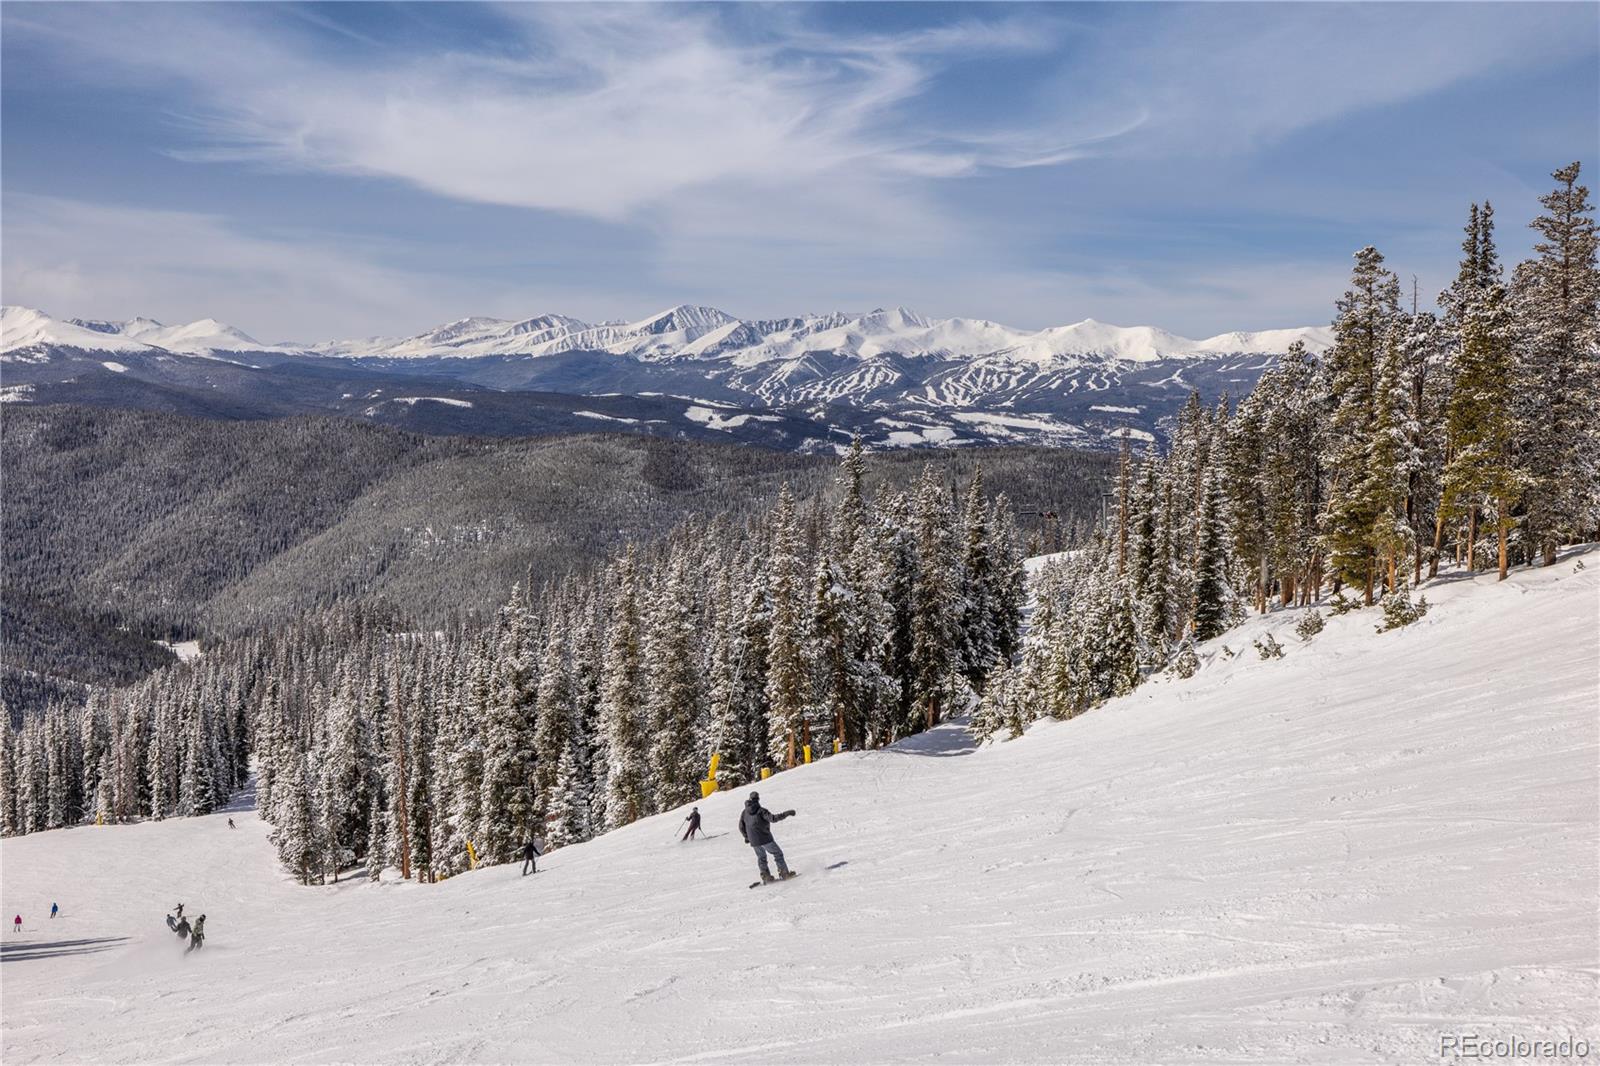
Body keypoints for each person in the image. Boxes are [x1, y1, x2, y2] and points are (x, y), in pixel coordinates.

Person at [738, 791, 796, 883]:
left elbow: (741, 826)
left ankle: (765, 876)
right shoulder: (761, 811)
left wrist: (747, 837)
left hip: (754, 841)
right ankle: (784, 873)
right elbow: (773, 819)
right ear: (758, 799)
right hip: (765, 838)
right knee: (777, 853)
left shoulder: (744, 812)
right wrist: (787, 813)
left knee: (761, 857)